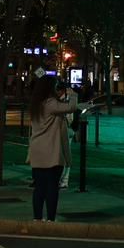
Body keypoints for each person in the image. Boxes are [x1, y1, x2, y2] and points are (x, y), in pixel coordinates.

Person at [25, 76, 80, 222]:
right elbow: (71, 107)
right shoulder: (50, 103)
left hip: (37, 151)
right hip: (51, 151)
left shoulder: (36, 104)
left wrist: (61, 98)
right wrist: (73, 94)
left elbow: (59, 108)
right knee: (52, 188)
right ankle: (50, 219)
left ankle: (37, 218)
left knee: (39, 188)